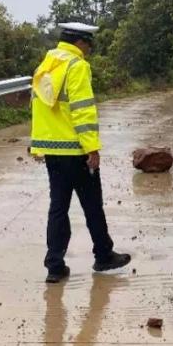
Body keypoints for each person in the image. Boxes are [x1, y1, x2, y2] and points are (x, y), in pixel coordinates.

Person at [30, 22, 131, 284]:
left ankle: (54, 265)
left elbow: (38, 109)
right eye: (89, 45)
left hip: (53, 151)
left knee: (58, 208)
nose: (89, 50)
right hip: (75, 150)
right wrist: (92, 149)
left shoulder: (46, 65)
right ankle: (104, 255)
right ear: (80, 43)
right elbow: (83, 110)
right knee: (92, 205)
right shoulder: (77, 66)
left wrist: (38, 144)